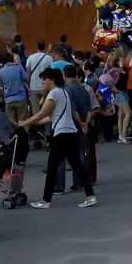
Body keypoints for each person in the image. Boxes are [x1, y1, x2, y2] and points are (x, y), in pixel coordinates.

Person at [22, 69, 96, 209]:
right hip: (70, 132)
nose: (42, 82)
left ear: (52, 80)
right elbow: (62, 114)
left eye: (44, 79)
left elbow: (43, 113)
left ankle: (45, 200)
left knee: (52, 168)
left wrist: (26, 122)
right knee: (76, 166)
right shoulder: (64, 92)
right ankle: (90, 195)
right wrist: (80, 123)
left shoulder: (53, 93)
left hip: (60, 134)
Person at [56, 64, 92, 191]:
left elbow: (72, 110)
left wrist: (80, 122)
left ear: (64, 75)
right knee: (80, 153)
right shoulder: (84, 89)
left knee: (60, 155)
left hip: (70, 125)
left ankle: (59, 185)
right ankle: (78, 182)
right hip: (82, 124)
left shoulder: (66, 90)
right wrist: (85, 123)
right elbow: (89, 109)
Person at [0, 54, 29, 127]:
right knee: (23, 123)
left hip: (8, 100)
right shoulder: (18, 67)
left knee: (12, 125)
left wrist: (4, 95)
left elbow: (0, 86)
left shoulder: (1, 71)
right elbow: (26, 78)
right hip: (20, 97)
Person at [24, 42, 52, 116]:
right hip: (46, 88)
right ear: (44, 47)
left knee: (35, 112)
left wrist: (28, 87)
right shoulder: (49, 58)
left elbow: (28, 75)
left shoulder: (30, 58)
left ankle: (37, 123)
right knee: (46, 111)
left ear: (37, 46)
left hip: (33, 87)